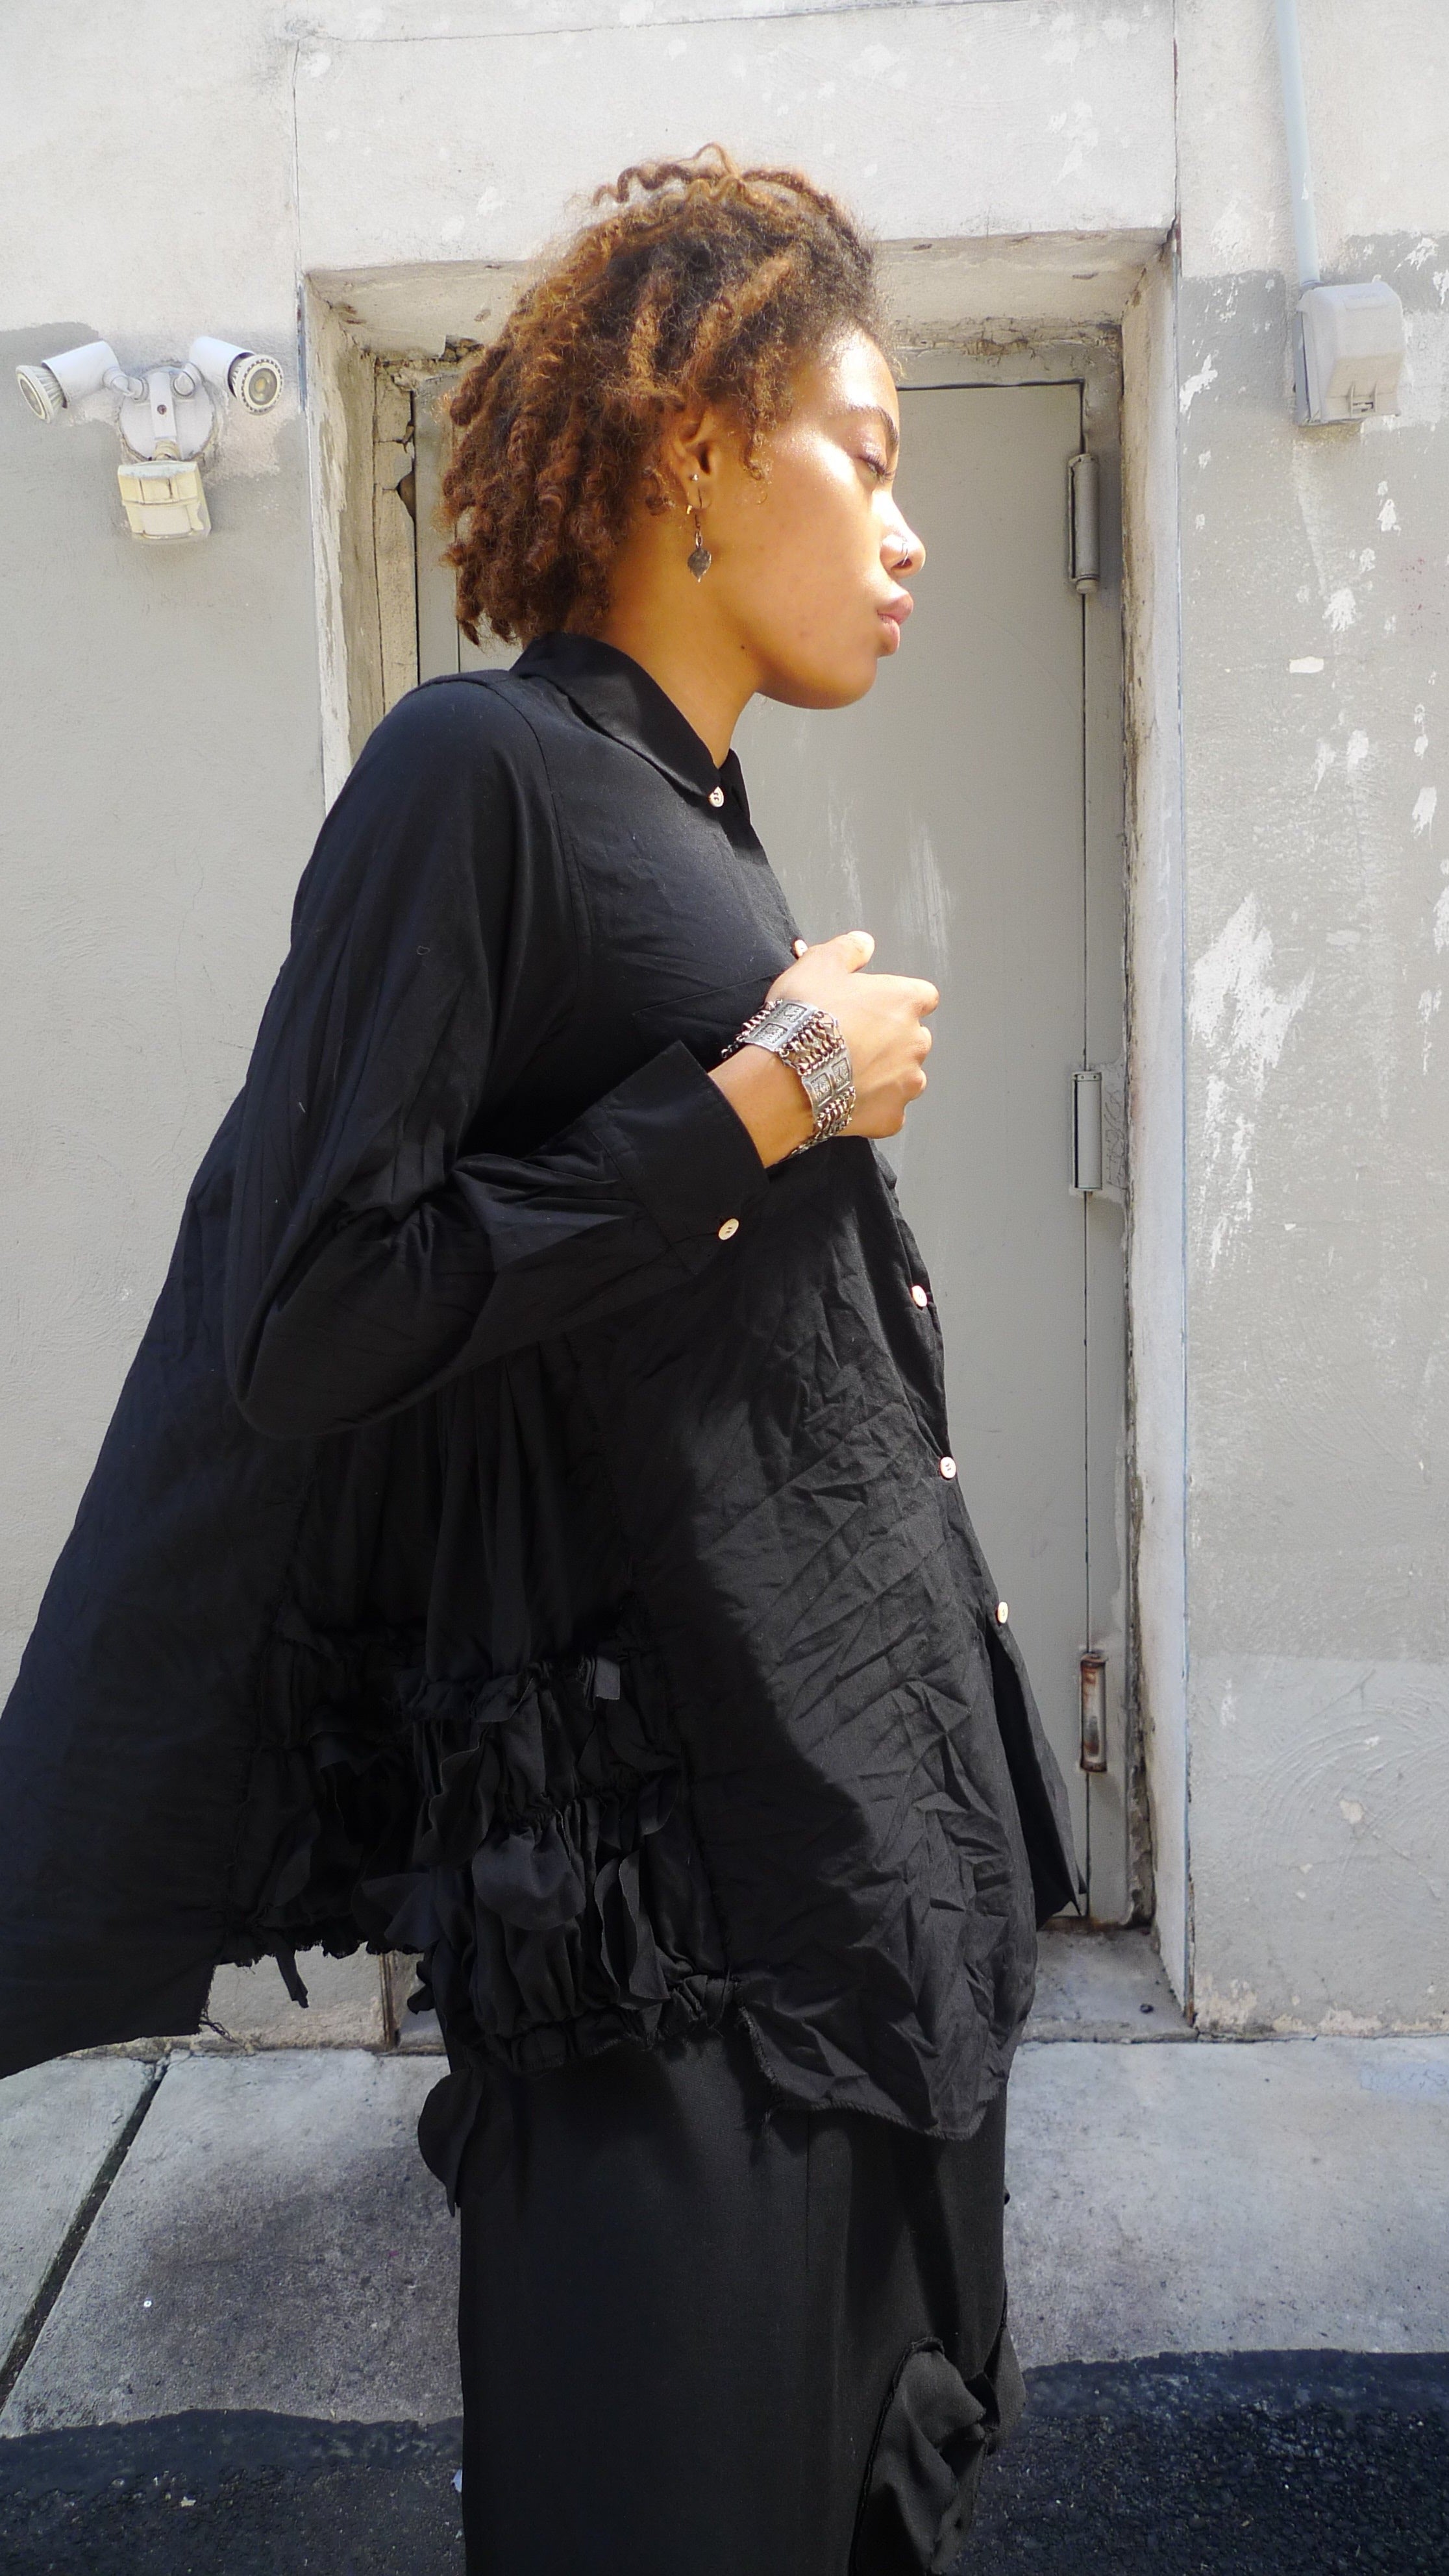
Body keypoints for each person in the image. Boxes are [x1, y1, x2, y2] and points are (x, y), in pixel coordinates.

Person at [0, 148, 1080, 2574]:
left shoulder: (693, 816)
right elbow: (315, 1316)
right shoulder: (472, 773)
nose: (909, 531)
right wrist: (757, 1107)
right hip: (661, 1939)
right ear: (697, 444)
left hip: (838, 1873)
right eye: (866, 455)